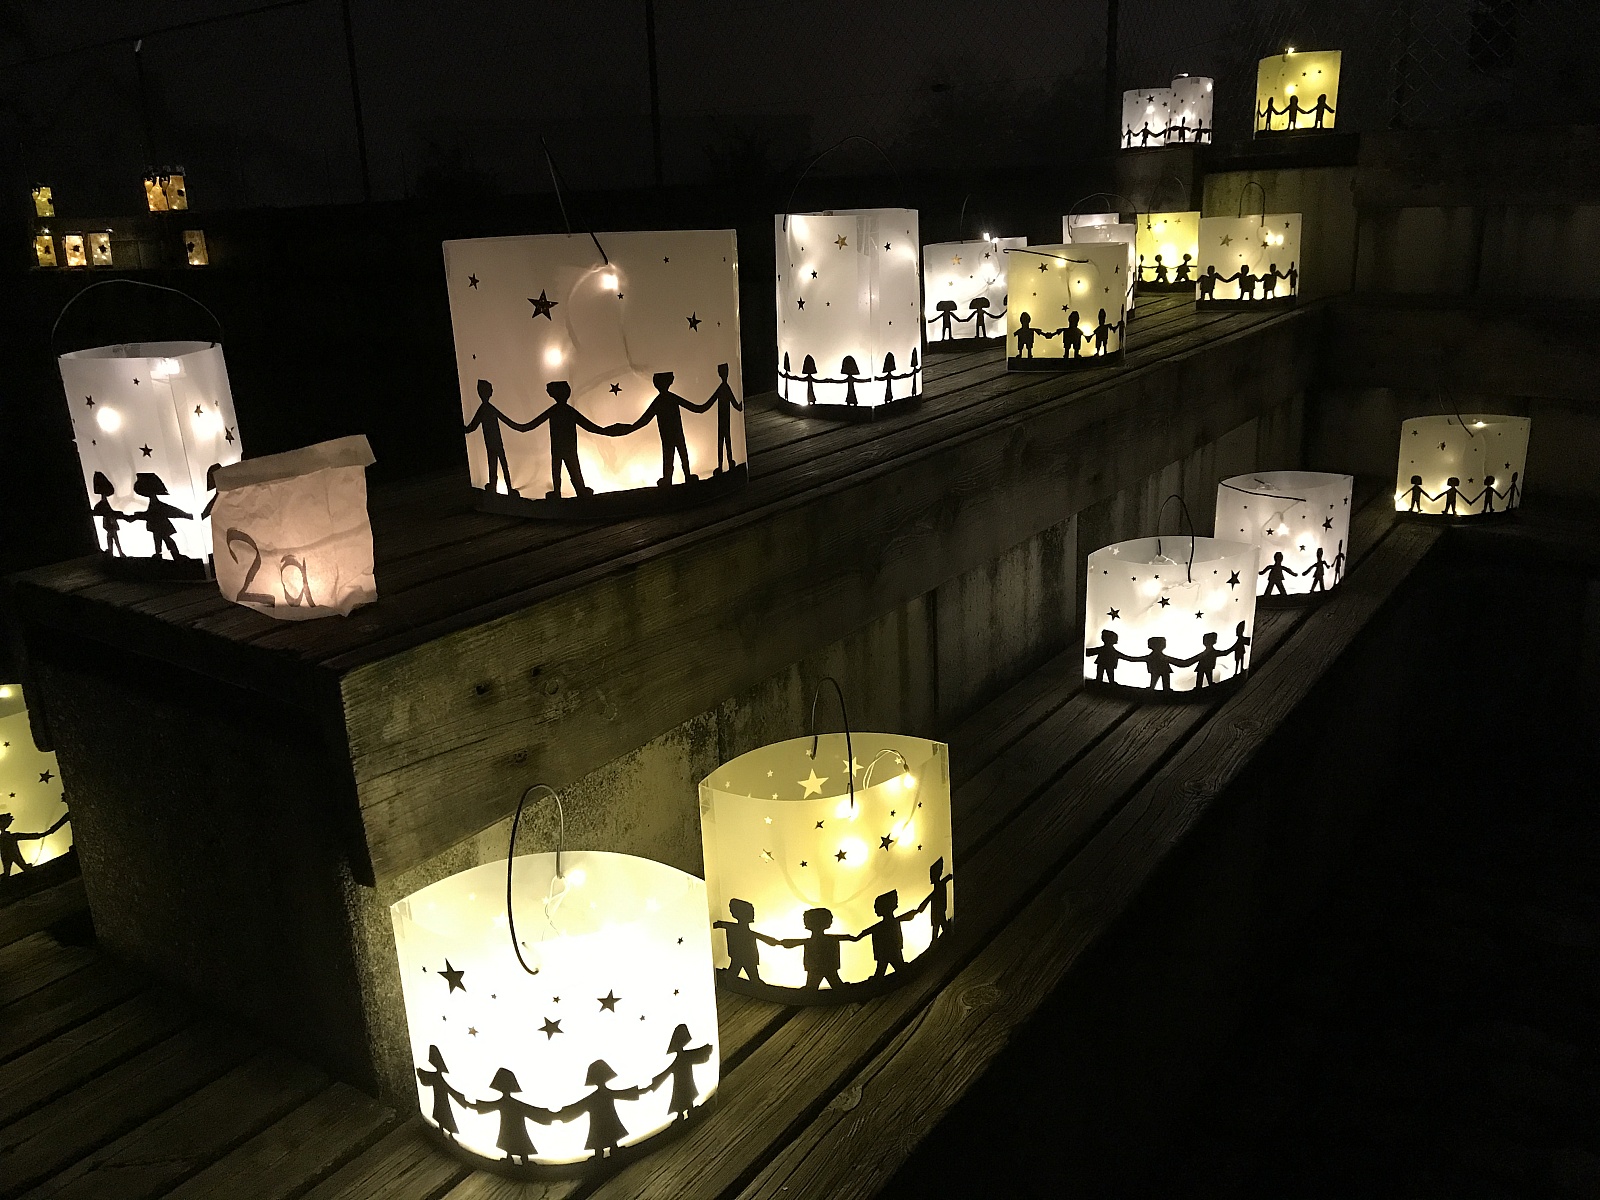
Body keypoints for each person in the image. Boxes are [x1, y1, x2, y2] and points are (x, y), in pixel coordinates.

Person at [613, 372, 711, 485]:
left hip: (672, 434)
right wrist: (628, 428)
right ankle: (675, 477)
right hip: (671, 435)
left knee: (677, 454)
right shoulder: (664, 400)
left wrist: (629, 428)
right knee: (673, 455)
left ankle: (681, 476)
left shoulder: (663, 400)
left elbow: (697, 408)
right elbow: (697, 408)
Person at [522, 381, 610, 499]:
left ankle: (565, 492)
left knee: (562, 469)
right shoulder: (566, 411)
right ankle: (576, 491)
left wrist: (606, 431)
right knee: (570, 469)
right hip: (566, 448)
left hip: (561, 448)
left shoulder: (557, 411)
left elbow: (529, 426)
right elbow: (590, 427)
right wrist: (606, 431)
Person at [468, 1067, 563, 1166]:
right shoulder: (506, 1103)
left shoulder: (512, 1104)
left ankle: (522, 1160)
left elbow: (531, 1111)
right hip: (507, 1128)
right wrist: (471, 1105)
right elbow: (488, 1106)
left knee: (518, 1142)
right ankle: (514, 1159)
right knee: (508, 1142)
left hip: (517, 1128)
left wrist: (551, 1115)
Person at [559, 1060, 652, 1159]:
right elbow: (578, 1107)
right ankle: (602, 1154)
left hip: (609, 1121)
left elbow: (624, 1094)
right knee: (601, 1140)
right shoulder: (595, 1098)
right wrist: (560, 1114)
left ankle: (609, 1151)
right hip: (599, 1124)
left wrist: (644, 1090)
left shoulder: (602, 1095)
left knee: (609, 1138)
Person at [779, 907, 858, 991]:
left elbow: (792, 943)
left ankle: (838, 990)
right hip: (820, 967)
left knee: (818, 984)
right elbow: (850, 938)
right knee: (830, 982)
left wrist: (779, 942)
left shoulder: (818, 940)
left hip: (820, 967)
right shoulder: (828, 939)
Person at [652, 1024, 714, 1123]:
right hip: (680, 1085)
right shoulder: (680, 1059)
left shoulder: (685, 1056)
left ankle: (689, 1113)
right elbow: (667, 1072)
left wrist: (707, 1050)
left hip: (687, 1083)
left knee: (688, 1098)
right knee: (683, 1099)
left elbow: (698, 1054)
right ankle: (683, 1115)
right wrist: (655, 1083)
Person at [713, 898, 779, 983]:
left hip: (746, 957)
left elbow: (763, 938)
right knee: (742, 975)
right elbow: (717, 924)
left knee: (743, 975)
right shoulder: (733, 927)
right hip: (742, 956)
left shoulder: (733, 927)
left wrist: (776, 942)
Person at [859, 889, 919, 979]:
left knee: (893, 966)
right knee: (889, 967)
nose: (875, 910)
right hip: (887, 950)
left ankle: (903, 975)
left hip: (890, 949)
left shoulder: (890, 923)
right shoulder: (888, 923)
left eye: (876, 907)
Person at [132, 473, 190, 560]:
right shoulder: (154, 503)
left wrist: (138, 516)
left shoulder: (157, 504)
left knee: (164, 539)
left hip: (160, 525)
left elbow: (158, 512)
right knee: (160, 540)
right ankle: (163, 555)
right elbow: (152, 513)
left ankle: (173, 555)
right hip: (157, 525)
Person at [416, 1046, 468, 1139]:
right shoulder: (436, 1076)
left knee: (445, 1115)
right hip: (439, 1099)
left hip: (443, 1100)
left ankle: (449, 1133)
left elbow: (450, 1090)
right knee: (440, 1114)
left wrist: (461, 1099)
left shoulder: (438, 1078)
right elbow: (426, 1081)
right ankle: (442, 1131)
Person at [0, 811, 68, 877]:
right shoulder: (10, 837)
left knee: (13, 870)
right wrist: (44, 834)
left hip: (11, 857)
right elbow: (29, 836)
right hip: (10, 857)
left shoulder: (12, 836)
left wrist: (43, 834)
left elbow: (29, 836)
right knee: (16, 869)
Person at [705, 363, 743, 475]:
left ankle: (725, 464)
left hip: (724, 420)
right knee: (724, 441)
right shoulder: (723, 388)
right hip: (723, 420)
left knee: (723, 441)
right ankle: (723, 464)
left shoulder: (724, 388)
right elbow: (736, 405)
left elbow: (735, 405)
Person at [89, 472, 129, 556]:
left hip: (110, 522)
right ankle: (115, 552)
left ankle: (115, 552)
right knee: (113, 538)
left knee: (113, 537)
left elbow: (106, 511)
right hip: (109, 522)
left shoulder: (102, 504)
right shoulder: (101, 504)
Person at [922, 857, 954, 940]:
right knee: (937, 932)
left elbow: (948, 877)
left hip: (939, 913)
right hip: (936, 915)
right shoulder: (937, 888)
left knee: (941, 930)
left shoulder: (941, 884)